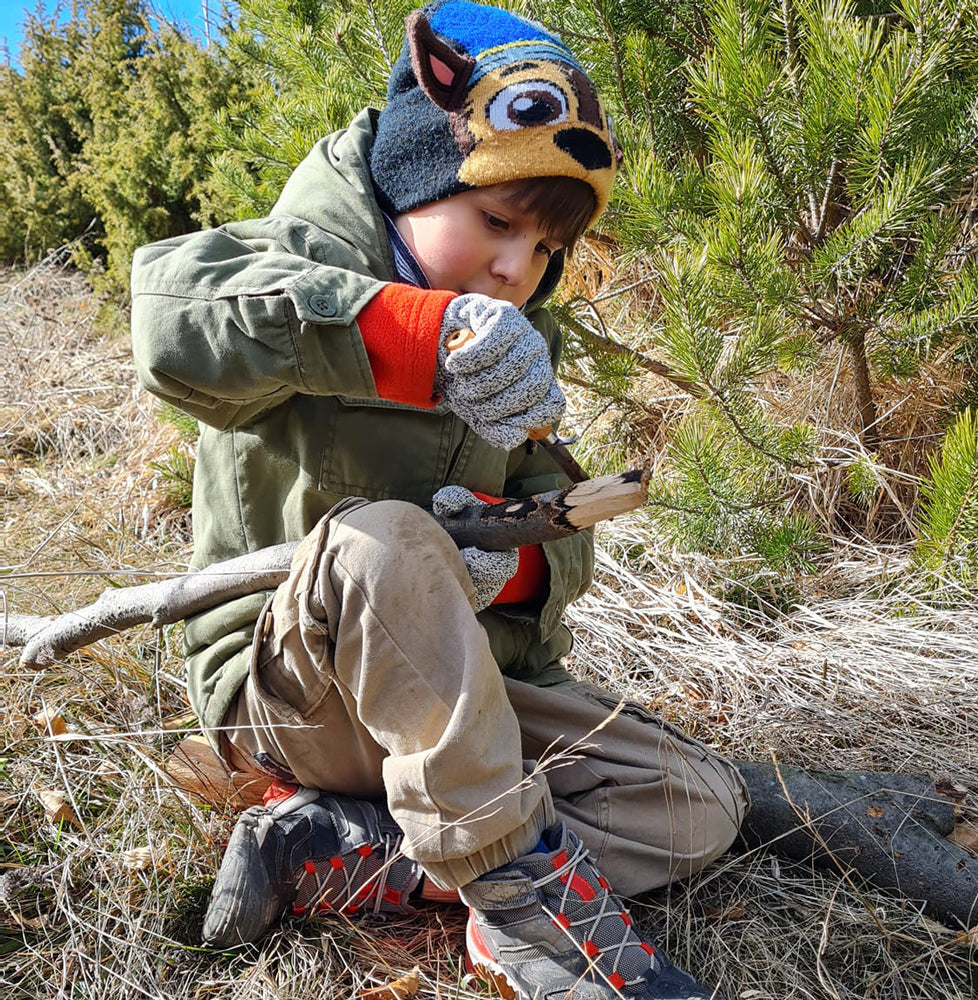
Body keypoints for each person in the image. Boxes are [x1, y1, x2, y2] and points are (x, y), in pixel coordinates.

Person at [130, 2, 748, 997]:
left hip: (460, 707)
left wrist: (517, 565)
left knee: (694, 802)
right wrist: (418, 335)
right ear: (412, 180)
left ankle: (348, 842)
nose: (516, 269)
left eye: (545, 249)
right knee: (385, 543)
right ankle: (517, 906)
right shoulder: (289, 263)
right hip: (297, 697)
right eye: (496, 222)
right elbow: (169, 320)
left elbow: (555, 498)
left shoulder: (518, 341)